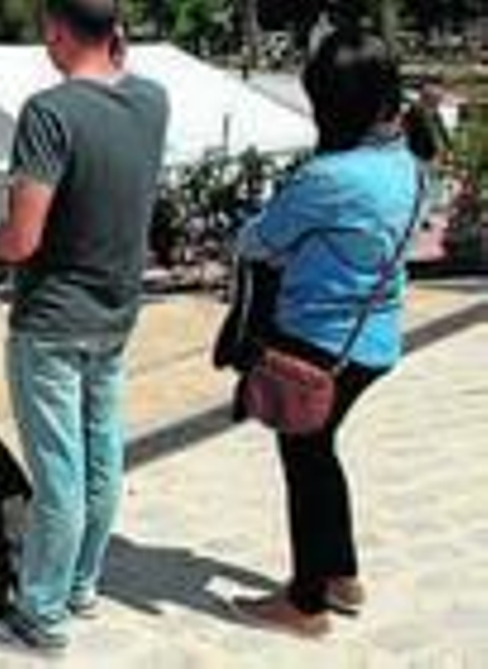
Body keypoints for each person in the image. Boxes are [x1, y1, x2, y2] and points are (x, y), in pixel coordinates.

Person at [227, 28, 422, 639]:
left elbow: (258, 239)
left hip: (319, 344)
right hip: (376, 337)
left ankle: (306, 602)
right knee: (322, 451)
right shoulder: (408, 165)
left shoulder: (330, 177)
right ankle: (342, 574)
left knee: (304, 460)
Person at [0, 0, 169, 651]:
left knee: (59, 473)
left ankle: (40, 615)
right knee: (101, 458)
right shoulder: (153, 102)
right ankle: (81, 584)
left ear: (57, 31)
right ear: (115, 32)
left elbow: (23, 236)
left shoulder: (49, 113)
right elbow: (124, 75)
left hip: (53, 319)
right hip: (116, 313)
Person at [403, 81, 453, 166]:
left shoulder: (435, 114)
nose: (439, 101)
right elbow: (409, 139)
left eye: (440, 98)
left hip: (432, 160)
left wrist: (448, 150)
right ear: (427, 98)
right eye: (437, 98)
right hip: (419, 161)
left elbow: (442, 134)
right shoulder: (413, 114)